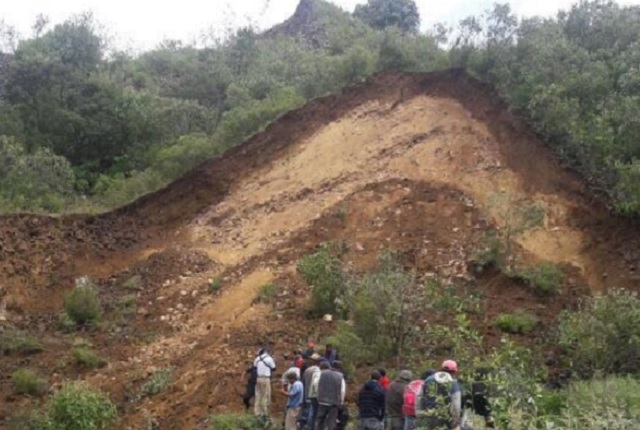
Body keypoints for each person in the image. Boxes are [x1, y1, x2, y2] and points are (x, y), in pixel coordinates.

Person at [416, 360, 462, 430]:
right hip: (446, 419)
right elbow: (456, 405)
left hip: (429, 417)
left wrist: (419, 414)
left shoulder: (428, 380)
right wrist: (456, 421)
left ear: (441, 369)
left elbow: (419, 398)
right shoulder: (454, 384)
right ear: (454, 372)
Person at [315, 360, 346, 430]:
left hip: (322, 401)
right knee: (331, 423)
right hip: (333, 403)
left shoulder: (323, 373)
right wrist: (341, 403)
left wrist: (318, 395)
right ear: (339, 368)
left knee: (319, 421)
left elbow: (317, 384)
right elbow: (342, 391)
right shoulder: (340, 377)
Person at [254, 347, 277, 425]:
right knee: (266, 396)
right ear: (267, 352)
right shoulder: (269, 359)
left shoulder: (257, 358)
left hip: (258, 378)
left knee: (258, 396)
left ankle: (257, 413)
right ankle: (265, 414)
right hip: (265, 379)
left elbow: (255, 367)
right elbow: (274, 368)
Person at [301, 353, 322, 430]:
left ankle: (303, 424)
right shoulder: (317, 371)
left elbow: (303, 381)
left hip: (306, 392)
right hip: (313, 394)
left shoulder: (307, 370)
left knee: (305, 410)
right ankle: (309, 427)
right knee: (311, 412)